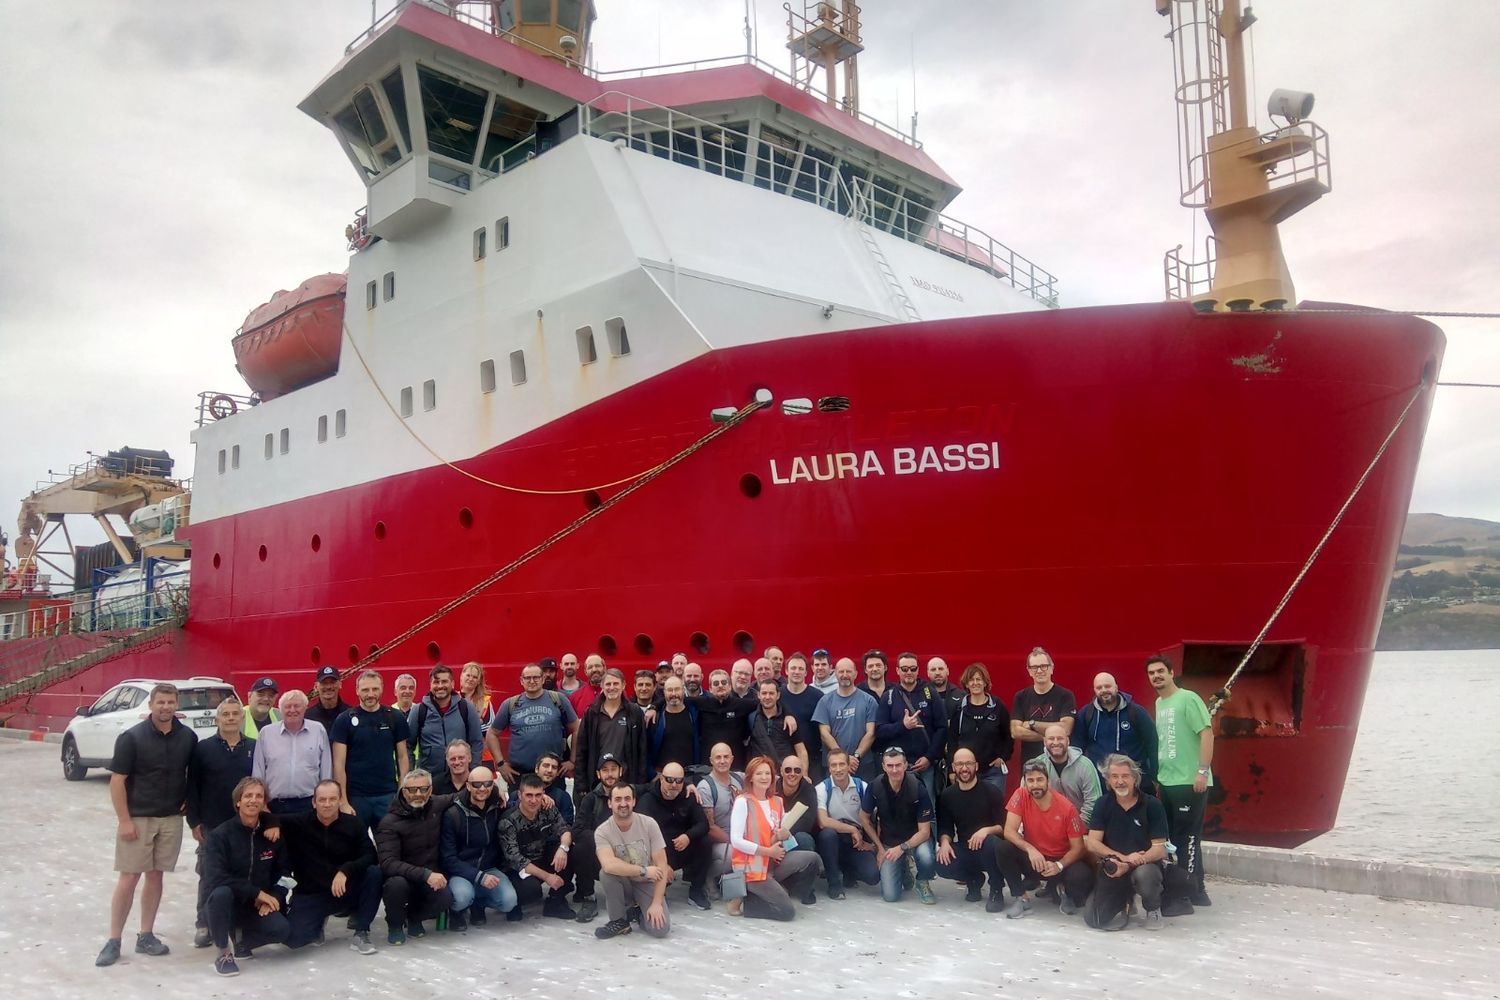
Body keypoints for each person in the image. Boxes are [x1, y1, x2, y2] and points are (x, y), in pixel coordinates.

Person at [96, 682, 196, 967]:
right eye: (160, 702)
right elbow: (117, 781)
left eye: (171, 702)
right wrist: (124, 820)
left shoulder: (187, 738)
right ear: (151, 705)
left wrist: (189, 800)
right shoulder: (131, 738)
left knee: (156, 876)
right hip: (138, 818)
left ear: (177, 705)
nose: (166, 707)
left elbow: (192, 774)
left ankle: (146, 935)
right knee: (129, 878)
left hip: (170, 819)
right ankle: (114, 940)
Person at [278, 779, 383, 955]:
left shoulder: (353, 823)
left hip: (344, 889)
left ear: (340, 800)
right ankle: (318, 922)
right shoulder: (299, 822)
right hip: (312, 893)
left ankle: (361, 931)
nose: (327, 804)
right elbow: (264, 817)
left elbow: (370, 856)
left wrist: (346, 870)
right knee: (294, 940)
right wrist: (271, 824)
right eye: (322, 800)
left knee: (374, 874)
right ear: (314, 802)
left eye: (332, 799)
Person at [201, 777, 290, 976]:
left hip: (255, 907)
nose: (253, 800)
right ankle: (223, 953)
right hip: (224, 905)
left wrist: (275, 897)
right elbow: (215, 878)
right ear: (238, 802)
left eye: (259, 796)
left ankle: (242, 939)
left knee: (282, 930)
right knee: (222, 893)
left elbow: (286, 874)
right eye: (248, 795)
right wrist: (257, 893)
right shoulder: (219, 836)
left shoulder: (272, 835)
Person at [186, 698, 256, 948]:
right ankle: (204, 923)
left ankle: (237, 921)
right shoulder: (204, 748)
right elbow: (192, 786)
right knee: (208, 873)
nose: (230, 718)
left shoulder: (254, 747)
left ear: (242, 718)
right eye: (225, 714)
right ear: (218, 720)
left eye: (235, 714)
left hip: (243, 824)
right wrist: (194, 821)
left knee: (243, 872)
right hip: (212, 824)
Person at [1148, 654, 1215, 907]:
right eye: (1152, 673)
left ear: (1171, 672)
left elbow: (1207, 734)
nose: (1156, 676)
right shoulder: (1159, 703)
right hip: (1168, 782)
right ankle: (1197, 890)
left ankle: (1187, 890)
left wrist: (1202, 771)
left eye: (1160, 671)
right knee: (1175, 839)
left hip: (1190, 781)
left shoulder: (1188, 698)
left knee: (1187, 838)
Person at [727, 756, 823, 920]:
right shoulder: (743, 802)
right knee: (787, 913)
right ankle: (748, 901)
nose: (764, 777)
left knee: (813, 859)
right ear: (750, 777)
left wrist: (786, 835)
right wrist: (768, 851)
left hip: (772, 862)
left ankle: (775, 889)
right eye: (759, 774)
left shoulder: (777, 801)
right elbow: (735, 840)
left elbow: (779, 832)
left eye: (767, 773)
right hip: (752, 867)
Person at [1086, 754, 1171, 931]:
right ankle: (1125, 900)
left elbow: (1160, 849)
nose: (1120, 781)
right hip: (1114, 865)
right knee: (1096, 919)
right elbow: (1092, 843)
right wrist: (1122, 859)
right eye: (1114, 776)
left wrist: (1131, 862)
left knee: (1146, 876)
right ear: (1108, 780)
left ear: (1135, 778)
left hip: (1144, 864)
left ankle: (1153, 908)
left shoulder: (1152, 804)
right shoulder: (1102, 804)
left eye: (1125, 776)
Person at [999, 759, 1092, 919]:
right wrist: (1030, 849)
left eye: (1040, 779)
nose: (1035, 785)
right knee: (1003, 848)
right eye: (1030, 780)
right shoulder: (1020, 795)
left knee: (1081, 875)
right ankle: (1021, 897)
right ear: (1025, 782)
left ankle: (1063, 890)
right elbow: (1009, 831)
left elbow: (1078, 847)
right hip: (1035, 858)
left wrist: (1059, 865)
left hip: (1059, 860)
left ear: (1048, 781)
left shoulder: (1066, 808)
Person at [375, 769, 456, 945]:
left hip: (427, 877)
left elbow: (462, 796)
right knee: (396, 885)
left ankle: (414, 918)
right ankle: (395, 925)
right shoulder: (389, 822)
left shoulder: (436, 804)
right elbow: (388, 863)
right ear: (404, 791)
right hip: (402, 877)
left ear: (431, 790)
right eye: (412, 790)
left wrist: (496, 793)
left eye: (423, 789)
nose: (418, 794)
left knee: (446, 897)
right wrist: (426, 874)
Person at [330, 669, 412, 834]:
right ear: (357, 690)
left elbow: (403, 757)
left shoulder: (395, 717)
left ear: (382, 689)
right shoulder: (344, 720)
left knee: (388, 845)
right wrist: (343, 801)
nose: (370, 694)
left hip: (387, 795)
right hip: (356, 798)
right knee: (356, 848)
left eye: (375, 689)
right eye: (365, 690)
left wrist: (402, 791)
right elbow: (338, 764)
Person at [440, 765, 518, 930]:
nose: (482, 788)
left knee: (509, 901)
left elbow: (521, 805)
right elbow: (448, 858)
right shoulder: (453, 814)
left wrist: (544, 799)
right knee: (462, 896)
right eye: (476, 784)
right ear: (468, 785)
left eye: (487, 784)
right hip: (461, 871)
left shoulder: (497, 807)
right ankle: (457, 911)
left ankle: (478, 904)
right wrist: (478, 876)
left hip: (488, 868)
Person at [593, 783, 673, 938]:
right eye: (618, 799)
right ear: (610, 803)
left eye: (627, 799)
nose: (623, 804)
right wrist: (643, 870)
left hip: (647, 882)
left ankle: (638, 913)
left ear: (634, 801)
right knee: (606, 873)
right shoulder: (602, 831)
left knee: (660, 929)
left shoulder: (649, 824)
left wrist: (657, 903)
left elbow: (662, 865)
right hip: (624, 881)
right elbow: (608, 865)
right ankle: (618, 921)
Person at [859, 747, 937, 904]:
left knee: (927, 857)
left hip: (916, 840)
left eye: (898, 765)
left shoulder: (917, 787)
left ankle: (922, 881)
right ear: (883, 766)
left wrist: (901, 848)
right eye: (890, 766)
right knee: (890, 896)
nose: (894, 770)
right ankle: (903, 869)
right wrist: (880, 849)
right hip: (889, 841)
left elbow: (924, 832)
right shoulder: (875, 786)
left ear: (906, 765)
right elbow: (863, 817)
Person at [936, 748, 1009, 912]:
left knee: (992, 843)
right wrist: (945, 842)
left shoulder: (991, 791)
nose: (964, 768)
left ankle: (996, 889)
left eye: (968, 763)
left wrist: (985, 831)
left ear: (976, 766)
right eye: (960, 764)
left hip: (990, 848)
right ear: (953, 767)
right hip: (965, 847)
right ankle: (974, 879)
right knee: (940, 862)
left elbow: (1004, 827)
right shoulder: (948, 795)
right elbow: (945, 826)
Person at [875, 652, 948, 806]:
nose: (909, 672)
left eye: (912, 669)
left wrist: (929, 757)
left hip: (925, 765)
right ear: (897, 670)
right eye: (905, 668)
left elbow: (942, 728)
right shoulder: (888, 696)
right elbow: (880, 731)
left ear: (918, 670)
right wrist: (903, 726)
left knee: (929, 811)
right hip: (897, 767)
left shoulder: (930, 693)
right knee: (898, 810)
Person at [500, 773, 577, 919]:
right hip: (516, 869)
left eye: (538, 795)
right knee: (531, 891)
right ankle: (515, 903)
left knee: (570, 849)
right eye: (529, 795)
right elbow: (516, 859)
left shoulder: (547, 808)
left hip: (539, 857)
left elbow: (565, 830)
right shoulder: (508, 820)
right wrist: (548, 877)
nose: (534, 800)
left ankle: (555, 901)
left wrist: (563, 848)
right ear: (520, 795)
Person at [491, 662, 579, 786]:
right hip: (520, 775)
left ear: (543, 679)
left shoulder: (558, 699)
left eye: (536, 677)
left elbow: (576, 728)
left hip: (552, 774)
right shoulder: (510, 704)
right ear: (521, 681)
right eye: (527, 678)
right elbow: (492, 734)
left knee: (556, 804)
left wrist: (572, 761)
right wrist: (500, 763)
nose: (532, 681)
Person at [638, 763, 711, 910]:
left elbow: (703, 824)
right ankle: (659, 887)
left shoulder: (688, 795)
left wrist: (688, 836)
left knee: (705, 842)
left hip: (680, 846)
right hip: (656, 853)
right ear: (662, 779)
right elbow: (641, 837)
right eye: (670, 780)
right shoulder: (647, 800)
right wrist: (661, 864)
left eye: (678, 781)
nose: (674, 785)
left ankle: (696, 890)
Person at [1074, 671, 1159, 793]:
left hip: (1135, 783)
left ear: (1116, 687)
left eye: (1107, 686)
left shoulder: (1136, 712)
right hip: (1100, 784)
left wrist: (1155, 776)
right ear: (1094, 690)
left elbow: (1153, 744)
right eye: (1099, 687)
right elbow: (1077, 749)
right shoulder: (1086, 714)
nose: (1104, 690)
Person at [572, 669, 648, 803]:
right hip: (598, 782)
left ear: (623, 685)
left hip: (626, 780)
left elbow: (642, 750)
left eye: (615, 683)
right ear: (602, 686)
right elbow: (582, 751)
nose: (611, 688)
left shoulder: (634, 712)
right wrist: (581, 784)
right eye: (608, 684)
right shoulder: (591, 713)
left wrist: (640, 784)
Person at [813, 749, 880, 899]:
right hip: (832, 841)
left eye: (842, 764)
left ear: (849, 765)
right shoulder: (822, 789)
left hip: (857, 843)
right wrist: (851, 829)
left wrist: (875, 846)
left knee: (873, 876)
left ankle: (849, 870)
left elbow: (878, 816)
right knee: (827, 835)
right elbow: (823, 821)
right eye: (833, 765)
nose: (838, 769)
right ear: (829, 768)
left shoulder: (862, 786)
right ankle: (834, 884)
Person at [251, 690, 331, 814]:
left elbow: (326, 770)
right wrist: (260, 803)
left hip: (309, 804)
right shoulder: (266, 733)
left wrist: (325, 800)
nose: (292, 710)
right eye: (287, 706)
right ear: (280, 709)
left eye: (297, 706)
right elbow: (258, 771)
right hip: (274, 806)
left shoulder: (318, 730)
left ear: (305, 708)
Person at [408, 664, 483, 781]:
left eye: (444, 681)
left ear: (452, 684)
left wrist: (472, 772)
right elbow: (408, 746)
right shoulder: (419, 711)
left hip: (460, 779)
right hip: (430, 779)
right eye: (436, 682)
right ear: (430, 685)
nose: (440, 686)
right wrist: (412, 775)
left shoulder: (466, 708)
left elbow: (476, 742)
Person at [947, 662, 1012, 791]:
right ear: (966, 683)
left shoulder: (998, 706)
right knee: (967, 810)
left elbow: (1009, 737)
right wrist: (952, 769)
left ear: (985, 683)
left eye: (979, 679)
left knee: (993, 809)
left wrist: (1003, 758)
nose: (975, 683)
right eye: (971, 680)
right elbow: (952, 741)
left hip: (992, 772)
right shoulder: (959, 708)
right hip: (965, 772)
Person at [812, 658, 879, 782]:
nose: (845, 675)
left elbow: (871, 733)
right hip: (834, 766)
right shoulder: (825, 701)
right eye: (841, 672)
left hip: (862, 765)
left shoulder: (869, 701)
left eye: (848, 671)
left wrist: (856, 757)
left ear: (855, 674)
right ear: (835, 673)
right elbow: (824, 734)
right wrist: (843, 759)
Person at [1012, 646, 1077, 761]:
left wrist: (1032, 724)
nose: (1039, 671)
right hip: (1030, 763)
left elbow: (1066, 728)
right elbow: (1015, 731)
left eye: (1043, 666)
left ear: (1051, 668)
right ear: (1029, 671)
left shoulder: (1065, 695)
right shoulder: (1020, 697)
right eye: (1034, 667)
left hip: (1058, 761)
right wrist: (1052, 737)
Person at [695, 742, 744, 889]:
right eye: (718, 757)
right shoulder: (705, 787)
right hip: (718, 840)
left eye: (726, 757)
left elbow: (763, 775)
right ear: (711, 761)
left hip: (738, 836)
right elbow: (710, 827)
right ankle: (710, 877)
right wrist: (736, 842)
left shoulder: (739, 779)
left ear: (732, 759)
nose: (722, 761)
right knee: (735, 855)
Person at [691, 668, 757, 769]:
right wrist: (656, 707)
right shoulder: (701, 703)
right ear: (710, 688)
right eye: (716, 683)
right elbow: (675, 699)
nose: (720, 685)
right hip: (709, 766)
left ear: (730, 686)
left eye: (724, 682)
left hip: (736, 766)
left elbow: (766, 703)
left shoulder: (742, 704)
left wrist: (787, 714)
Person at [1038, 725, 1103, 823]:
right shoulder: (1037, 765)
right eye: (1051, 739)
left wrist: (1076, 828)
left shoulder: (1085, 765)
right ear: (1044, 742)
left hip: (1081, 825)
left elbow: (1094, 802)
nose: (1055, 742)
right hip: (1048, 825)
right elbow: (1027, 798)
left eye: (1060, 738)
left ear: (1068, 741)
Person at [747, 679, 809, 776]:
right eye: (764, 693)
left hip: (785, 776)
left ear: (778, 695)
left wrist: (804, 775)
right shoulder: (751, 718)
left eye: (771, 693)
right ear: (758, 695)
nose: (767, 697)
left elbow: (801, 750)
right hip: (760, 776)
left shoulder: (789, 721)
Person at [779, 652, 825, 778]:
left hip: (813, 759)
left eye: (801, 669)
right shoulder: (778, 695)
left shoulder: (818, 696)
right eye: (793, 668)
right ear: (786, 671)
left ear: (806, 673)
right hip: (783, 758)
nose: (797, 672)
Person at [649, 675, 699, 774]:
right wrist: (653, 775)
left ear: (683, 690)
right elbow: (647, 750)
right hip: (663, 776)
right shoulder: (655, 718)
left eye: (677, 689)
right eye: (670, 690)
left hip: (690, 774)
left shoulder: (695, 713)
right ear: (664, 692)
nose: (673, 694)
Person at [507, 750, 574, 824]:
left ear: (557, 773)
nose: (549, 770)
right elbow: (507, 817)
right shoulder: (516, 795)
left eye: (554, 767)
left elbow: (567, 825)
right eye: (546, 766)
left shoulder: (563, 797)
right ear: (536, 769)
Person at [776, 754, 819, 853]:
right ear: (781, 771)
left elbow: (807, 822)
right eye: (788, 770)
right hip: (774, 833)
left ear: (802, 772)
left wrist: (786, 833)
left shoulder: (809, 790)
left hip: (795, 835)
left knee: (804, 838)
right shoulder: (772, 788)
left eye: (797, 770)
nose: (792, 774)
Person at [459, 662, 499, 762]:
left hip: (483, 757)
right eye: (468, 675)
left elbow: (490, 730)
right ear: (461, 676)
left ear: (478, 681)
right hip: (458, 757)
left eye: (475, 677)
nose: (470, 679)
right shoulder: (452, 699)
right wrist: (478, 720)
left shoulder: (485, 701)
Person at [305, 665, 353, 733]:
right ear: (316, 686)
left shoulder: (351, 715)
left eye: (332, 682)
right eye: (324, 683)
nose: (328, 687)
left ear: (340, 684)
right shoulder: (307, 717)